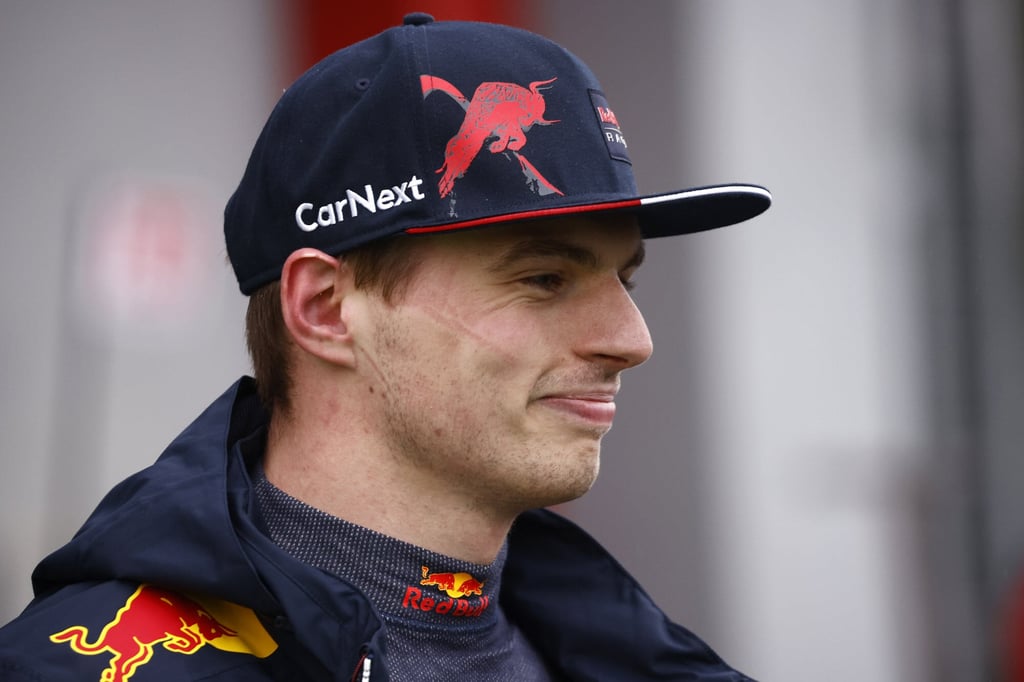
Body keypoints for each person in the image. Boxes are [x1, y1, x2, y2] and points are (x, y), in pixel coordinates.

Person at [0, 13, 770, 682]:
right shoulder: (70, 665)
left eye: (624, 282)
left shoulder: (624, 653)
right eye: (544, 278)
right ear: (327, 309)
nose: (632, 343)